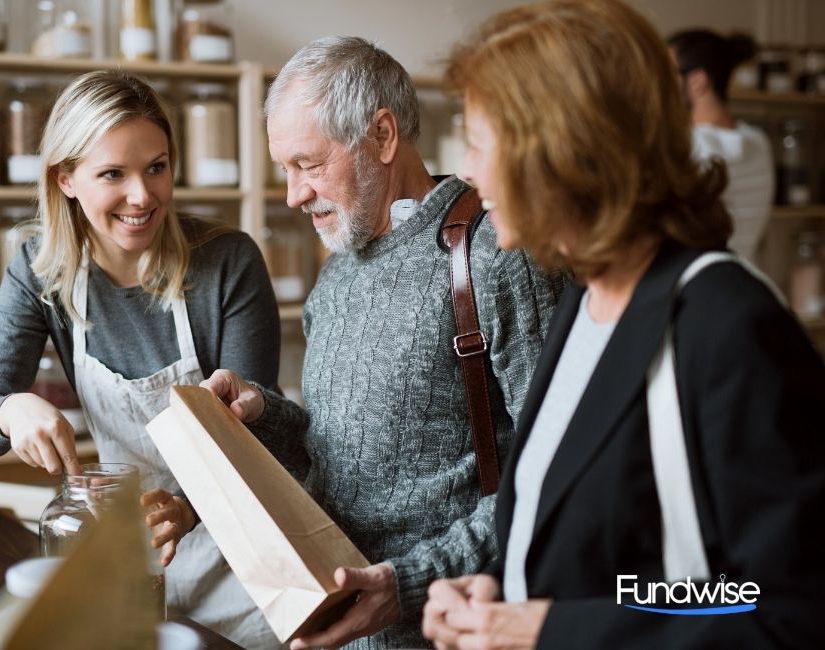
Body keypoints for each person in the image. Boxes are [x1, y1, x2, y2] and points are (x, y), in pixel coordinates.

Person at [423, 1, 825, 648]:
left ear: (561, 150)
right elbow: (592, 543)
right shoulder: (583, 303)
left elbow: (781, 608)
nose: (466, 169)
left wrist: (553, 628)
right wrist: (501, 587)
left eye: (476, 140)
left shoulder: (726, 325)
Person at [146, 36, 566, 649]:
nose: (293, 195)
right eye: (284, 170)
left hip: (446, 629)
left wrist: (407, 583)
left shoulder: (498, 254)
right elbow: (331, 453)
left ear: (384, 135)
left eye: (309, 165)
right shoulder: (340, 266)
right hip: (336, 628)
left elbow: (556, 477)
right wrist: (262, 411)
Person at [0, 70, 284, 648]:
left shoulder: (228, 262)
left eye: (157, 166)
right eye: (113, 174)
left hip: (242, 560)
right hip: (127, 564)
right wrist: (11, 411)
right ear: (67, 180)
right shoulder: (39, 272)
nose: (142, 196)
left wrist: (183, 508)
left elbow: (257, 437)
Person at [668, 29, 775, 263]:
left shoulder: (689, 145)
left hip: (700, 284)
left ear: (697, 81)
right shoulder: (758, 141)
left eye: (667, 74)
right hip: (745, 274)